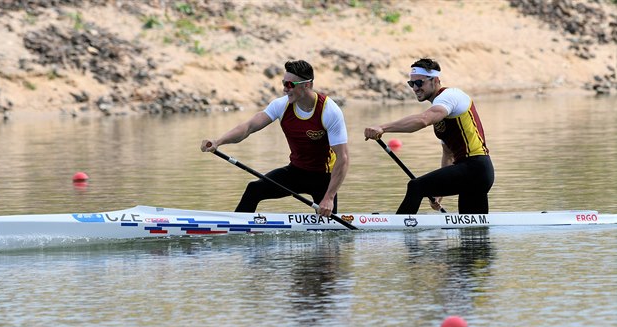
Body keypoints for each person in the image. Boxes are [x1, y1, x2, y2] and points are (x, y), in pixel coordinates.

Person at [201, 60, 350, 217]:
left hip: (324, 178)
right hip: (296, 171)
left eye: (289, 84)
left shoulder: (329, 111)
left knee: (330, 231)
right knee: (254, 189)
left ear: (306, 85)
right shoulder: (281, 106)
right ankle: (235, 229)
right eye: (283, 83)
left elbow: (343, 158)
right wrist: (218, 142)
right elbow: (248, 127)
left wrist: (329, 197)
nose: (285, 89)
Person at [364, 58, 494, 214]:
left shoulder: (450, 96)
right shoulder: (441, 109)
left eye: (419, 83)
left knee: (416, 186)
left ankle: (400, 230)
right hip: (474, 173)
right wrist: (440, 193)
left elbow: (423, 120)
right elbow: (448, 154)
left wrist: (382, 128)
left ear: (436, 80)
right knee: (473, 233)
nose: (415, 88)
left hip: (475, 168)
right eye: (411, 84)